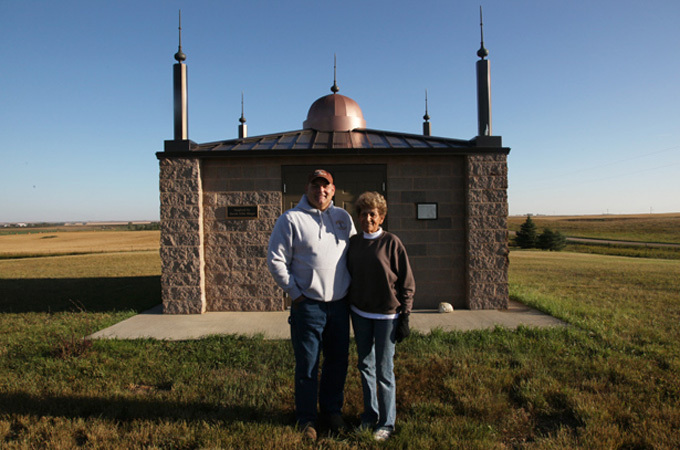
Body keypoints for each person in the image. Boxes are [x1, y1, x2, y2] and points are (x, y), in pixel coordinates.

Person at [267, 169, 356, 441]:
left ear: (333, 189)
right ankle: (307, 419)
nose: (321, 191)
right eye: (315, 186)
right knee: (307, 364)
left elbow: (357, 252)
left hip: (339, 306)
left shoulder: (343, 218)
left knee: (337, 362)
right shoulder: (291, 219)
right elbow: (275, 259)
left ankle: (332, 412)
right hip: (308, 307)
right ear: (307, 188)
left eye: (325, 186)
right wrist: (295, 293)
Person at [346, 191, 415, 442]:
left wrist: (405, 315)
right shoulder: (353, 244)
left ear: (381, 217)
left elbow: (407, 282)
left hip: (387, 317)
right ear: (358, 217)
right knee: (365, 366)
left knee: (384, 370)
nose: (368, 218)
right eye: (363, 214)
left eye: (372, 214)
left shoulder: (392, 243)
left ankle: (387, 423)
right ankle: (370, 416)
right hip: (360, 314)